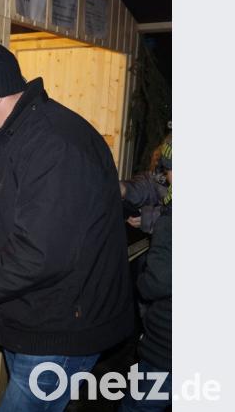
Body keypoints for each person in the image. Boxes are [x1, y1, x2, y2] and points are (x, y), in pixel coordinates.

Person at [0, 37, 135, 411]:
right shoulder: (16, 136)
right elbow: (12, 224)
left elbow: (39, 255)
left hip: (63, 326)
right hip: (43, 316)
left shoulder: (55, 144)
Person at [119, 138, 172, 411]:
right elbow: (151, 183)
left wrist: (140, 284)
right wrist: (125, 189)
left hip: (166, 346)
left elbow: (159, 281)